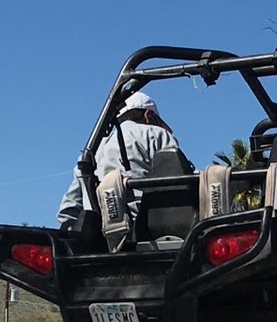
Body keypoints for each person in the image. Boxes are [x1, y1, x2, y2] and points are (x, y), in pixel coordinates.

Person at [57, 91, 191, 230]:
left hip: (99, 235)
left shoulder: (90, 151)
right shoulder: (155, 134)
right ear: (149, 116)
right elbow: (182, 178)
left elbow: (69, 208)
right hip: (148, 230)